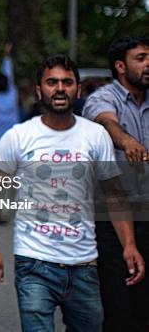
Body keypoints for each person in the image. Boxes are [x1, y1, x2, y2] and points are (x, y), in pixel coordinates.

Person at [0, 54, 145, 332]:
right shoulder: (18, 136)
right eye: (51, 82)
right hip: (34, 264)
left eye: (67, 82)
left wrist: (128, 244)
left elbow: (114, 194)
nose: (59, 88)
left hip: (85, 265)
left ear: (77, 90)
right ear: (39, 90)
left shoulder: (96, 135)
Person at [82, 36, 149, 332]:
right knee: (119, 304)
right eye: (142, 58)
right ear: (121, 66)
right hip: (112, 217)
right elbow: (106, 122)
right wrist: (126, 142)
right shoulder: (103, 98)